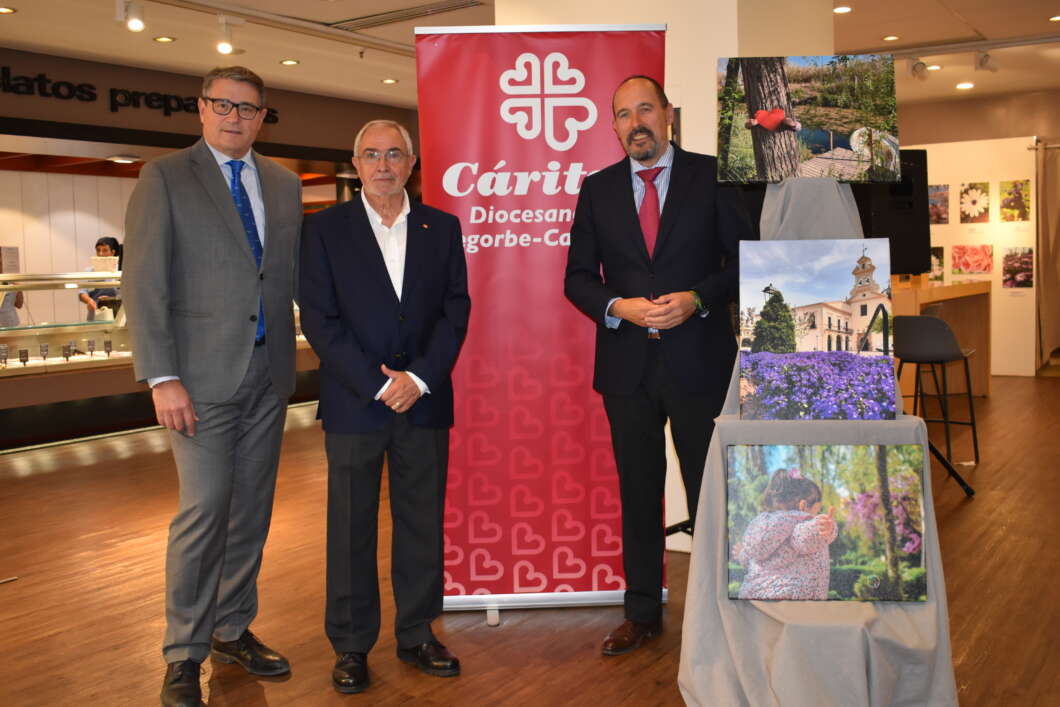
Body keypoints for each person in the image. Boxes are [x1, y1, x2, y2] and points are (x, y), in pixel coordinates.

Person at [122, 66, 303, 707]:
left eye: (248, 108)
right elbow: (143, 282)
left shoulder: (282, 184)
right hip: (197, 382)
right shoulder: (166, 177)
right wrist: (162, 376)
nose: (235, 117)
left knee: (251, 511)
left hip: (269, 374)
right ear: (200, 108)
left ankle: (231, 629)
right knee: (204, 510)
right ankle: (183, 652)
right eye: (223, 104)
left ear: (261, 118)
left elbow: (289, 277)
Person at [564, 75, 751, 655]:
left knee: (710, 491)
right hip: (627, 369)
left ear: (668, 114)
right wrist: (617, 306)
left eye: (645, 109)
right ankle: (641, 611)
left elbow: (745, 261)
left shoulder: (711, 176)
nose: (635, 123)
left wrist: (697, 298)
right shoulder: (597, 190)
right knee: (638, 493)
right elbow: (577, 278)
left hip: (700, 361)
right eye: (624, 114)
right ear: (614, 126)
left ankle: (721, 613)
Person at [298, 119, 470, 695]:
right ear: (356, 164)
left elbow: (455, 311)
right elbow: (319, 319)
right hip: (356, 404)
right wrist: (378, 384)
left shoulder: (441, 227)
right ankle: (351, 645)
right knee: (350, 528)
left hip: (424, 401)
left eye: (394, 154)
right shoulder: (324, 229)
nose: (383, 165)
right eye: (371, 155)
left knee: (421, 522)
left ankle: (418, 633)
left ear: (411, 163)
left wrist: (418, 379)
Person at [736, 468, 837, 600]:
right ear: (803, 506)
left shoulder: (761, 525)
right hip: (795, 598)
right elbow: (803, 537)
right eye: (816, 511)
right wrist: (822, 528)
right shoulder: (802, 522)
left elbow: (752, 555)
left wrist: (741, 554)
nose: (816, 516)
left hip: (754, 597)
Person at [78, 237, 122, 320]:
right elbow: (82, 292)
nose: (100, 253)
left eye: (105, 250)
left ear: (113, 252)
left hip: (117, 314)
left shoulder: (120, 271)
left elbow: (126, 293)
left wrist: (110, 299)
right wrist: (89, 301)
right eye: (98, 250)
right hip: (96, 313)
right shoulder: (89, 271)